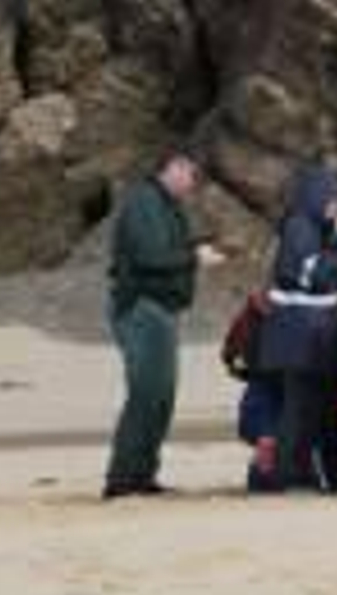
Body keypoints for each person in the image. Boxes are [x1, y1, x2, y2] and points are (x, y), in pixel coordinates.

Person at [104, 148, 203, 499]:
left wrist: (193, 254)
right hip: (142, 308)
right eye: (189, 172)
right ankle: (122, 480)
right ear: (172, 169)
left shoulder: (164, 204)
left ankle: (142, 475)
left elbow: (166, 252)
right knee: (147, 394)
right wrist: (195, 256)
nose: (193, 181)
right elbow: (150, 256)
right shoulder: (144, 202)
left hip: (160, 309)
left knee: (160, 397)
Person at [256, 164, 337, 491]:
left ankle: (307, 471)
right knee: (299, 407)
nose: (336, 207)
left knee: (312, 405)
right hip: (297, 332)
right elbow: (311, 274)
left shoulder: (314, 227)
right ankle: (290, 474)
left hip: (308, 331)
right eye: (332, 199)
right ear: (317, 196)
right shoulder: (300, 227)